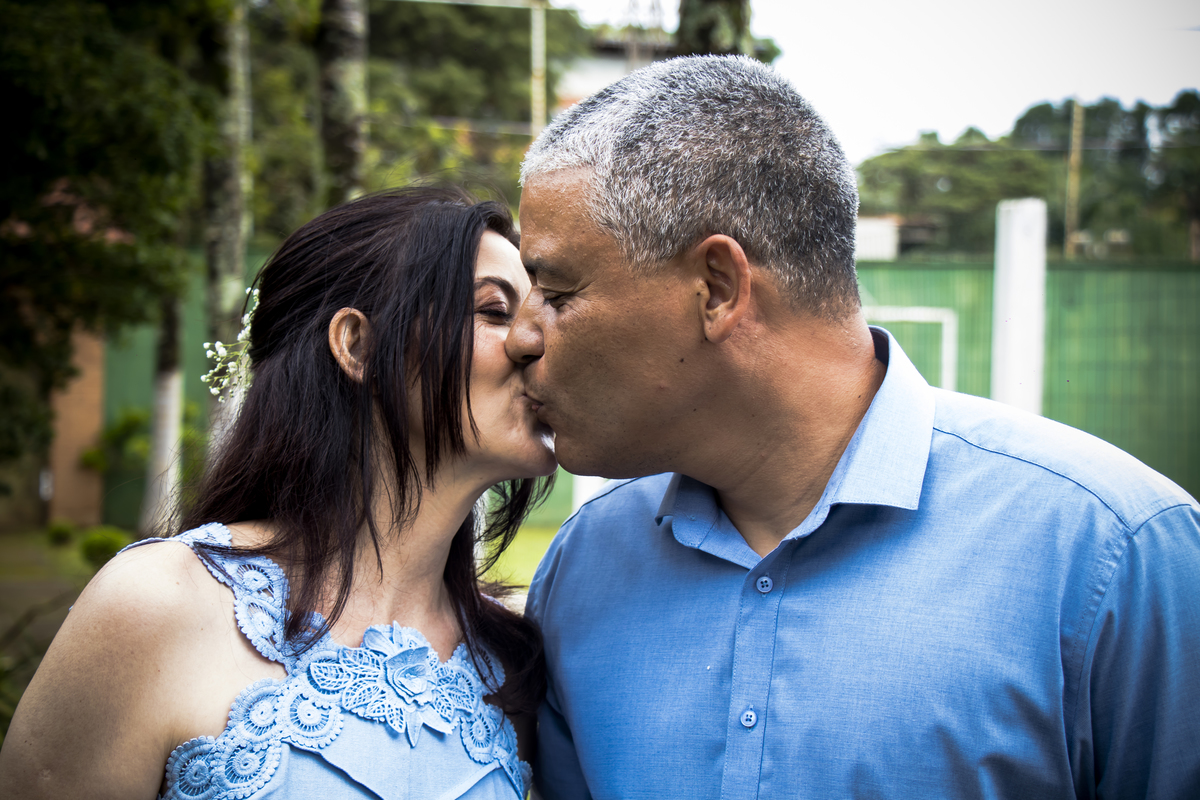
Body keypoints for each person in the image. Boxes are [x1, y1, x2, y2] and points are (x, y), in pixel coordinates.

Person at [507, 55, 1200, 799]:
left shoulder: (1114, 555)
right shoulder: (584, 567)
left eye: (555, 292)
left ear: (717, 288)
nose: (521, 336)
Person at [0, 187, 558, 799]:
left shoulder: (510, 664)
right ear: (358, 346)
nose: (535, 343)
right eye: (494, 311)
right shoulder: (159, 605)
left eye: (543, 314)